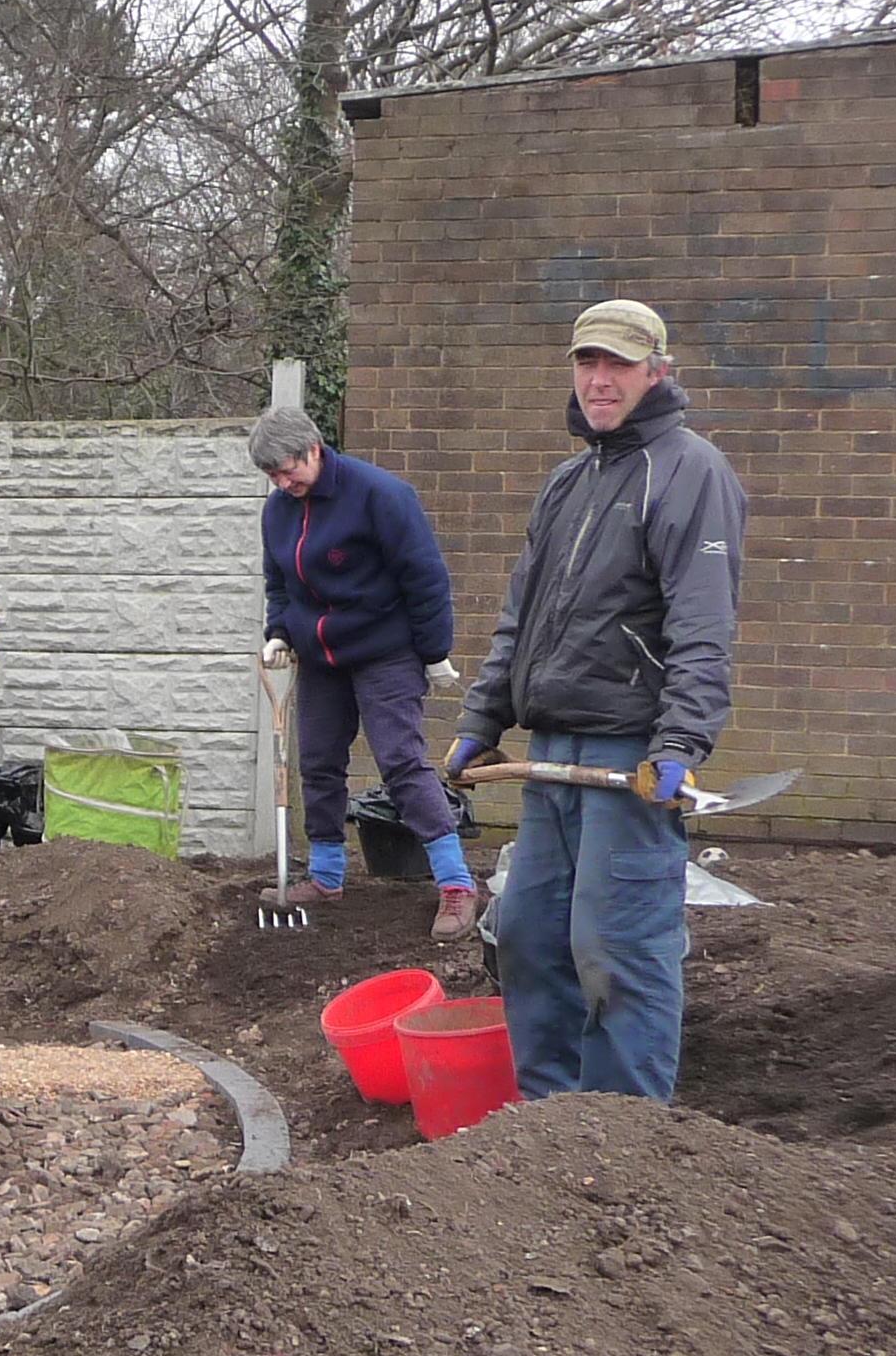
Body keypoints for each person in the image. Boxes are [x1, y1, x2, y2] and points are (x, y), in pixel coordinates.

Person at [445, 300, 746, 1104]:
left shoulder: (690, 473)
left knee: (616, 948)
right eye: (588, 362)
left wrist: (679, 742)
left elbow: (703, 627)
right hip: (553, 756)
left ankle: (623, 1130)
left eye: (618, 363)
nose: (600, 380)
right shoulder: (568, 483)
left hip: (630, 758)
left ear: (658, 372)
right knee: (529, 937)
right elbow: (522, 617)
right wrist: (482, 717)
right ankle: (550, 1124)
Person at [249, 404, 476, 939]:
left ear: (313, 449)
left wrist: (433, 650)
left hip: (384, 650)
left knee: (400, 761)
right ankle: (326, 875)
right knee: (319, 762)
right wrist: (279, 632)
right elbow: (279, 582)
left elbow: (425, 575)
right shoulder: (278, 510)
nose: (283, 484)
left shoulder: (379, 495)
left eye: (288, 471)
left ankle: (456, 883)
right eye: (273, 476)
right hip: (320, 657)